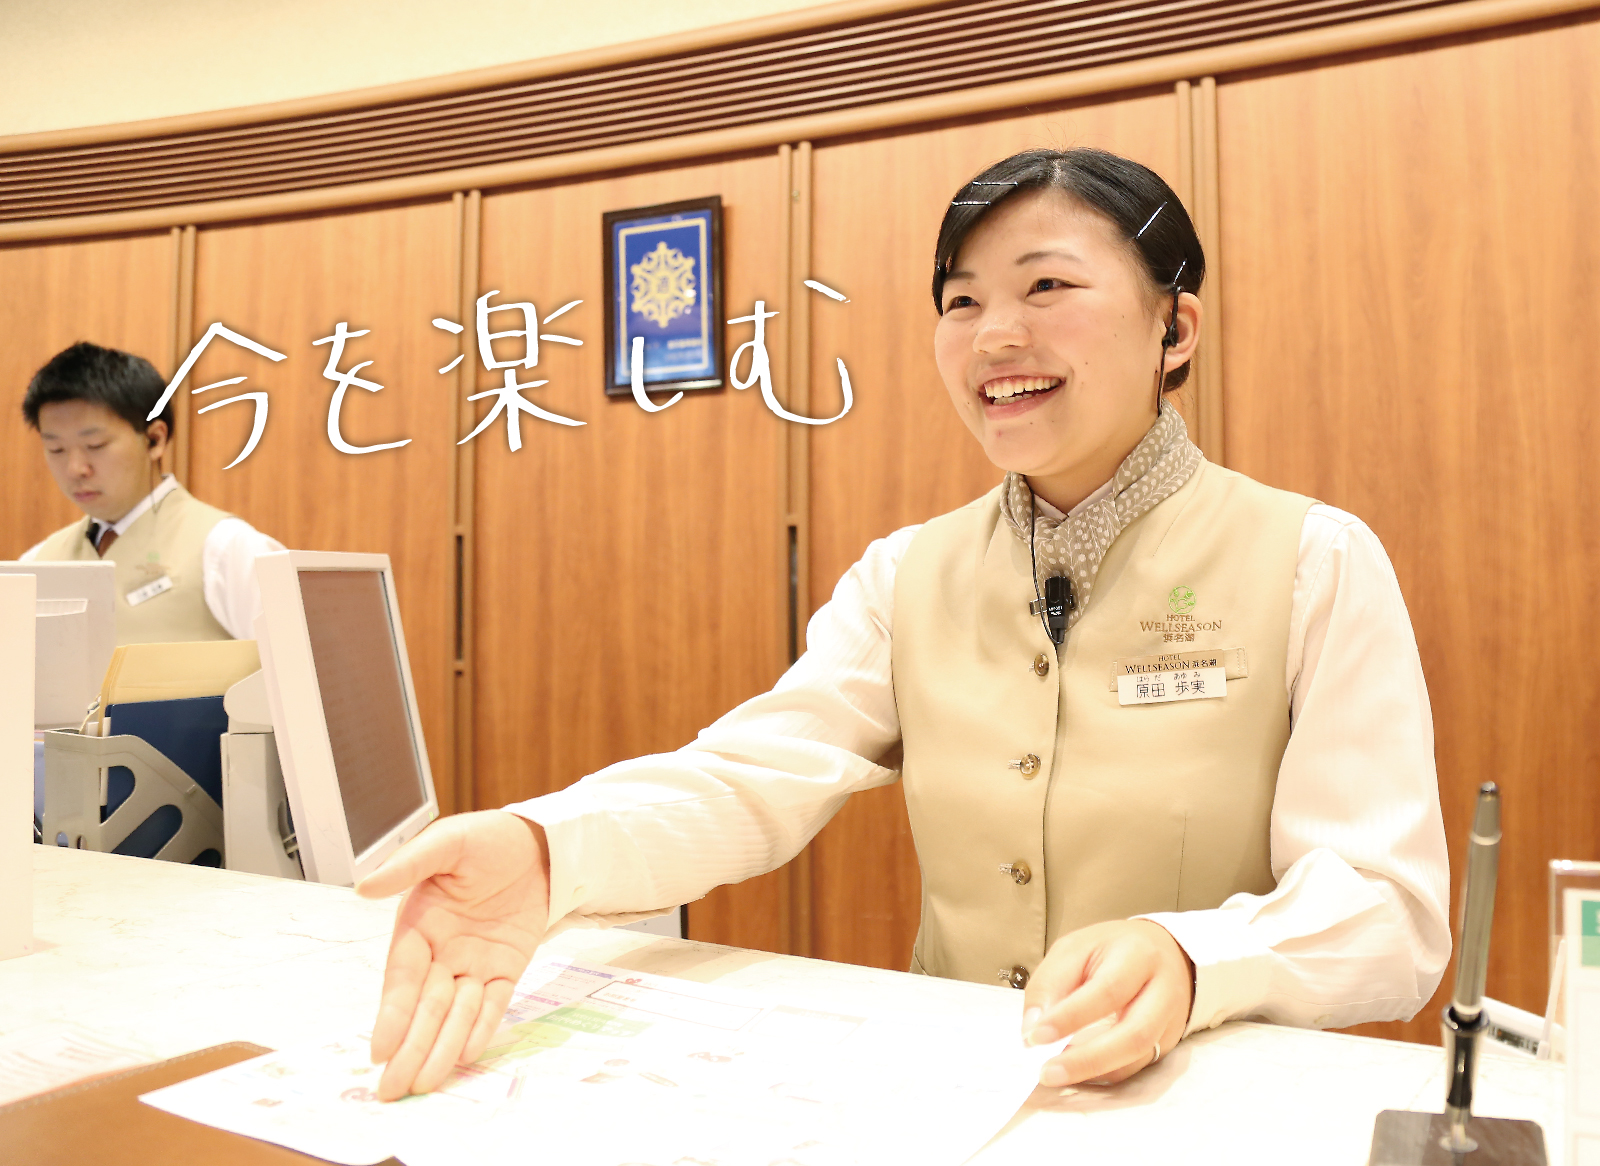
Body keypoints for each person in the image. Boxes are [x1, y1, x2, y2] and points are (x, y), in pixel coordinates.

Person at [356, 148, 1452, 1101]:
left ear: (1176, 326)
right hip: (962, 1100)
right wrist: (547, 850)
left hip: (1207, 1112)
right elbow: (752, 776)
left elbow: (1388, 910)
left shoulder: (1313, 558)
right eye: (961, 301)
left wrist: (1198, 956)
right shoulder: (904, 574)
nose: (994, 335)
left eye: (1048, 285)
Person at [19, 342, 282, 643]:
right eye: (56, 449)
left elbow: (294, 666)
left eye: (95, 446)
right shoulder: (35, 564)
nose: (75, 468)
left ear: (155, 439)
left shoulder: (227, 549)